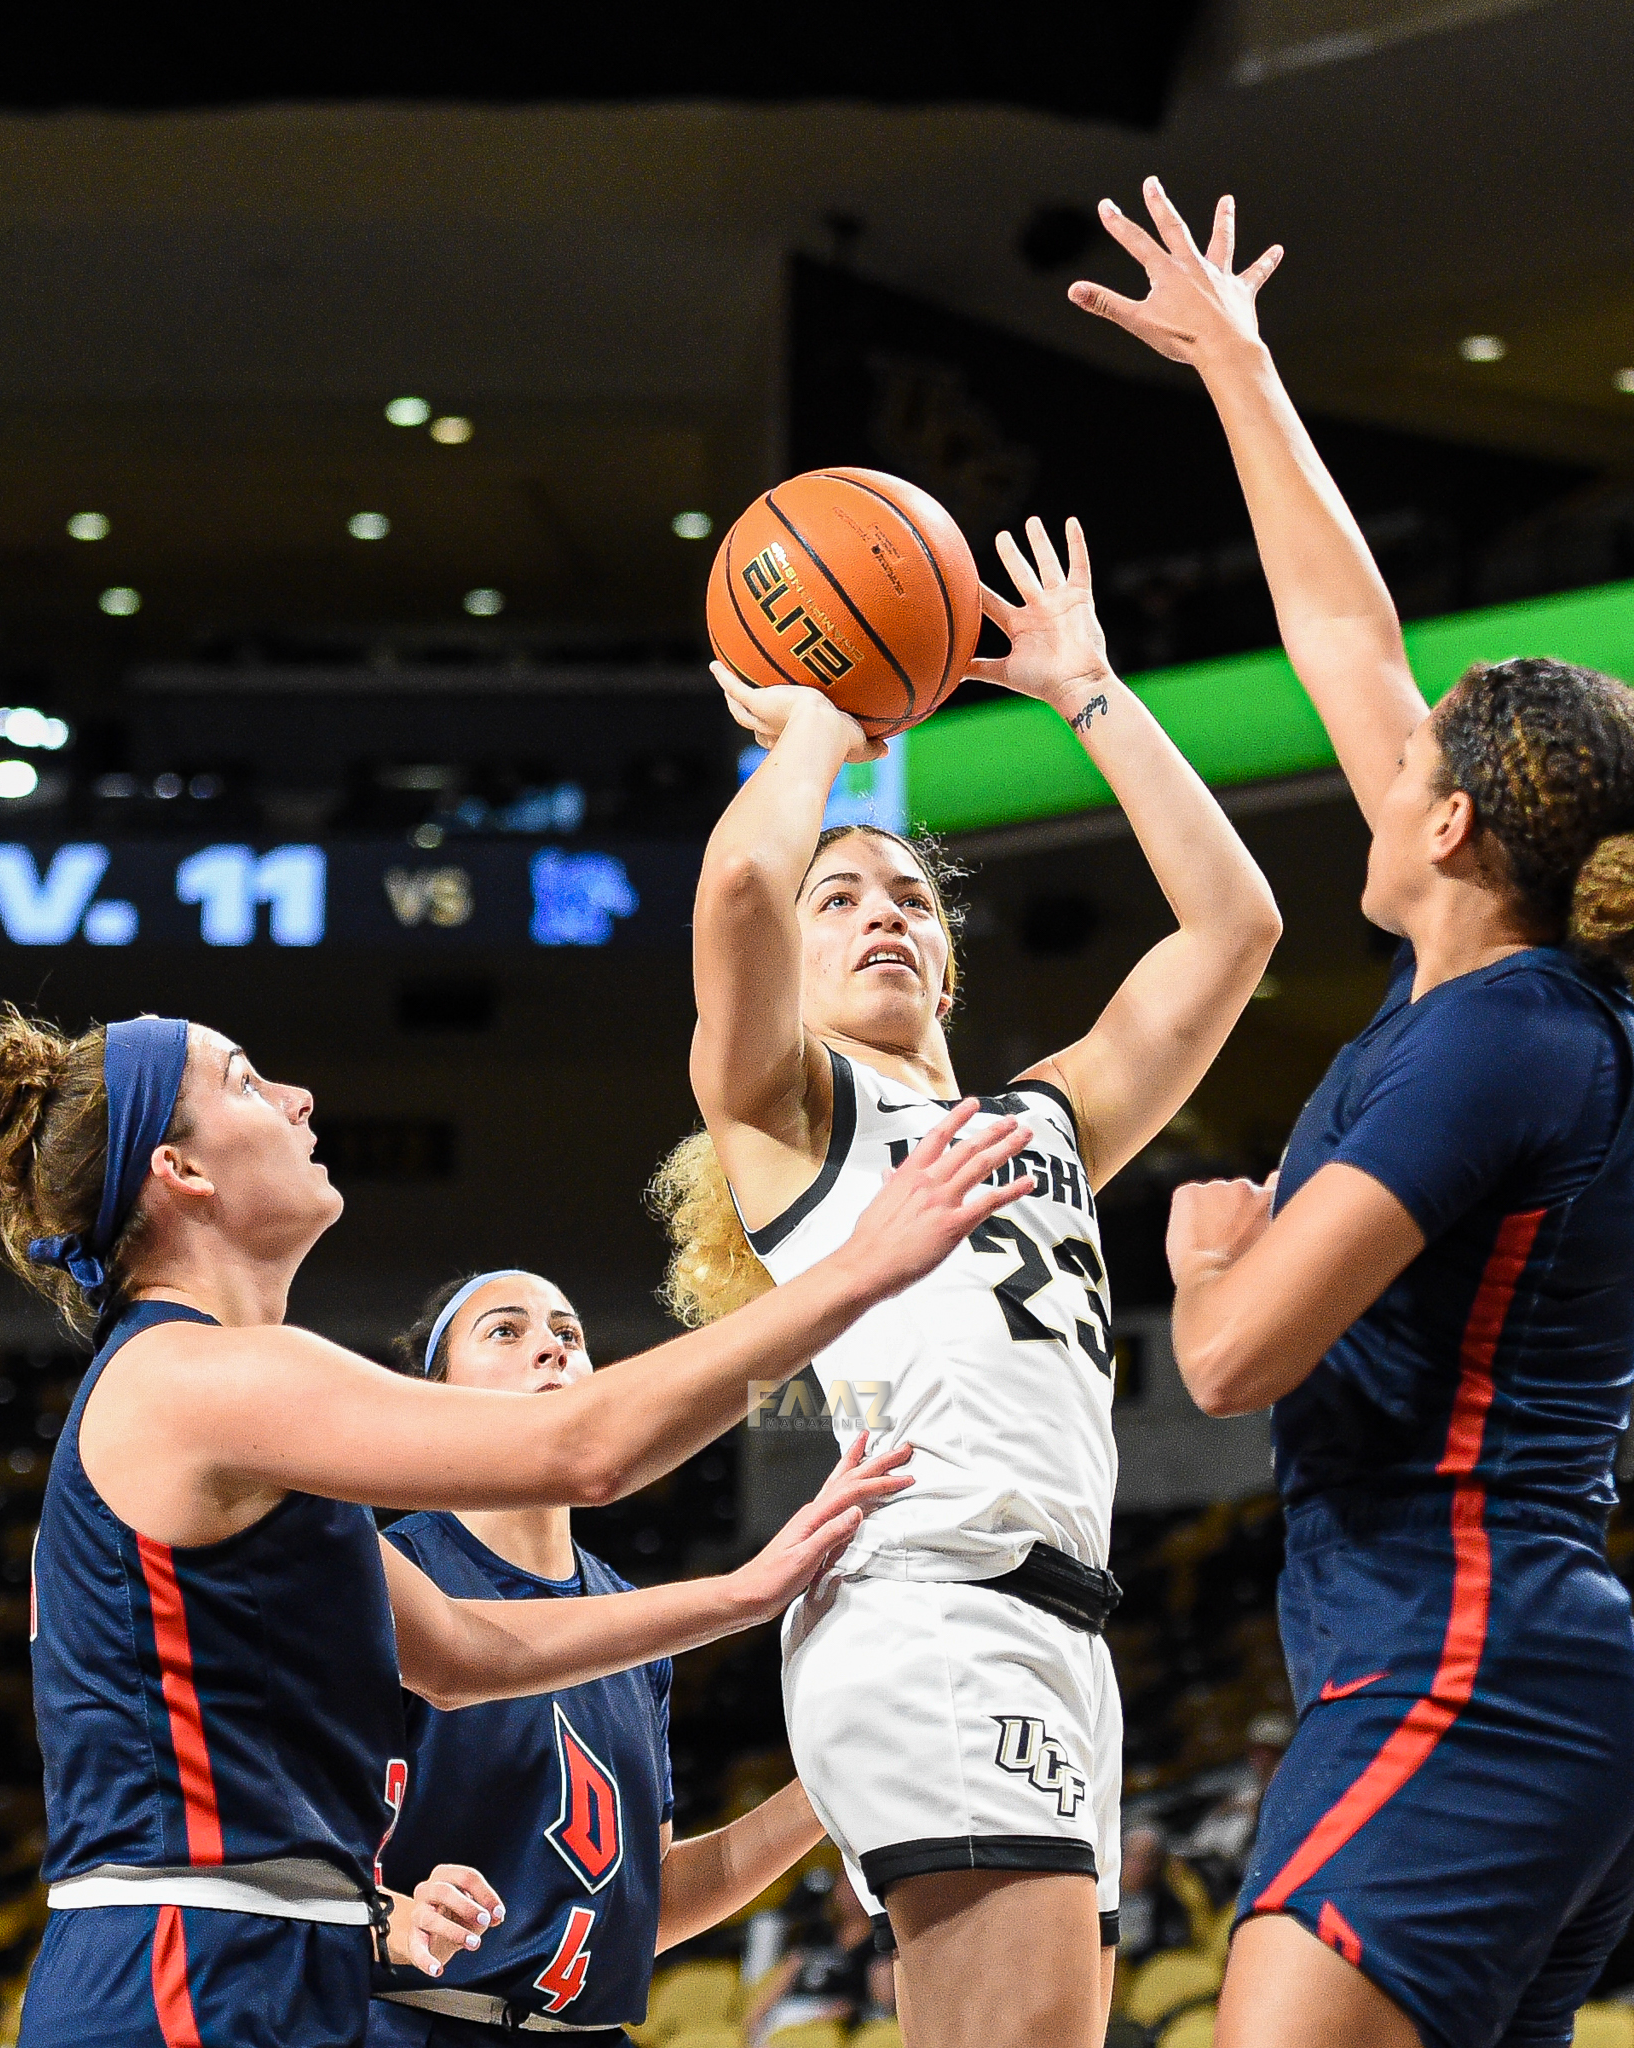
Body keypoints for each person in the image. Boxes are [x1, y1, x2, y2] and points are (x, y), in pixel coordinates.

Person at [1071, 179, 1634, 2048]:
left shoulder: (1492, 1038)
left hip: (1463, 1678)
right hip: (1505, 1679)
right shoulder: (1494, 984)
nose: (1379, 753)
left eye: (1412, 762)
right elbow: (1343, 631)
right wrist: (1236, 368)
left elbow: (1231, 1361)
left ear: (1445, 826)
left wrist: (1207, 1255)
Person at [0, 1009, 1037, 2048]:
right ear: (182, 1170)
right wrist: (859, 1266)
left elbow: (466, 1655)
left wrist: (744, 1593)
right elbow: (583, 1450)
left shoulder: (228, 1404)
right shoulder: (192, 1370)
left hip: (278, 1951)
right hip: (189, 1952)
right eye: (250, 1083)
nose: (303, 1097)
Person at [657, 518, 1282, 2048]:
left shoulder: (1044, 1118)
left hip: (1059, 1626)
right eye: (841, 899)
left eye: (910, 901)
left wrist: (1089, 694)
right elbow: (740, 888)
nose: (879, 910)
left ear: (949, 970)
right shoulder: (791, 1115)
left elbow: (1237, 926)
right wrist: (815, 724)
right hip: (933, 1603)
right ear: (793, 978)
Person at [367, 1267, 836, 2046]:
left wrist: (828, 1786)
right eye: (505, 1331)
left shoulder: (632, 1623)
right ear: (435, 1392)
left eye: (568, 1333)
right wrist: (393, 1915)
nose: (549, 1348)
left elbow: (643, 1906)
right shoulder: (387, 1584)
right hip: (413, 2022)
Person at [740, 1872, 891, 2044]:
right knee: (768, 2026)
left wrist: (852, 2010)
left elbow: (880, 2003)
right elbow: (788, 1972)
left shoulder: (879, 1940)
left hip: (847, 2014)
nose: (850, 1894)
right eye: (844, 1886)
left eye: (855, 1888)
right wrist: (756, 2014)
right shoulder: (818, 1932)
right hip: (800, 2007)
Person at [1178, 1710, 1293, 1900]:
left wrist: (1252, 1809)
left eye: (1268, 1751)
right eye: (1256, 1750)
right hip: (1223, 1876)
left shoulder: (1294, 1791)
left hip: (1270, 1878)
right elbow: (1200, 1842)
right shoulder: (1243, 1790)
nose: (1259, 1757)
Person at [1113, 1824, 1194, 1967]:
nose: (1138, 1867)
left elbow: (1170, 1951)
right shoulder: (1100, 1897)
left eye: (1147, 1859)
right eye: (1132, 1857)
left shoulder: (1169, 1907)